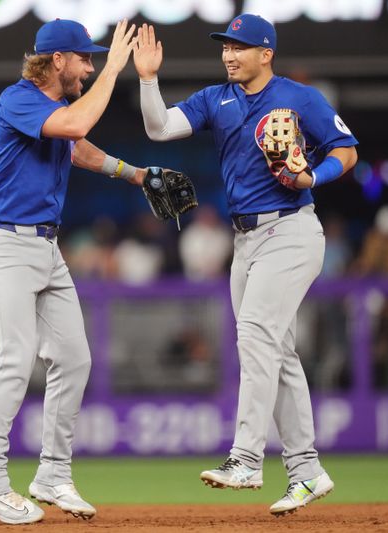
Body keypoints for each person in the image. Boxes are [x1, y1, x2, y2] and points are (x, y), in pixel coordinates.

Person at [134, 14, 358, 516]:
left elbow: (346, 150)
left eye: (238, 46)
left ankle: (247, 458)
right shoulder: (218, 99)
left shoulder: (299, 98)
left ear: (265, 53)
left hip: (292, 229)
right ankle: (306, 471)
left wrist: (312, 177)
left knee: (256, 336)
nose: (229, 54)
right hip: (246, 240)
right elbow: (159, 126)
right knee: (278, 353)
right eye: (225, 46)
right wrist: (148, 78)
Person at [0, 19, 147, 525]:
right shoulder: (18, 99)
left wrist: (135, 174)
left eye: (95, 60)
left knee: (74, 358)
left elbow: (77, 147)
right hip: (4, 244)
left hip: (46, 247)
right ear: (58, 61)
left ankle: (52, 474)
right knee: (15, 360)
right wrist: (115, 68)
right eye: (83, 59)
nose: (89, 67)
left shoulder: (52, 111)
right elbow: (75, 127)